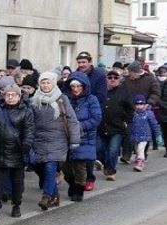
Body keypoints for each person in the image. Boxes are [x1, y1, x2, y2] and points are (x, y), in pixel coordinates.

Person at [0, 83, 34, 219]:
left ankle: (16, 205)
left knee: (17, 182)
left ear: (19, 96)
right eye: (7, 95)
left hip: (17, 151)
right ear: (3, 96)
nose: (10, 97)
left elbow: (29, 131)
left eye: (13, 95)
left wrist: (26, 145)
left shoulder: (26, 111)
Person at [30, 71, 79, 210]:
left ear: (54, 83)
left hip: (58, 139)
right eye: (43, 83)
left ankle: (46, 196)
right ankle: (55, 196)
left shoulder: (62, 99)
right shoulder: (34, 100)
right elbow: (30, 121)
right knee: (41, 168)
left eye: (48, 82)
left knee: (50, 166)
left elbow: (72, 119)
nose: (45, 85)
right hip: (38, 139)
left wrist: (75, 140)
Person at [63, 72, 101, 202]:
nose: (76, 89)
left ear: (84, 86)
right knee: (66, 167)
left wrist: (80, 126)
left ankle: (79, 189)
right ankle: (72, 184)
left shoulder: (92, 99)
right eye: (73, 86)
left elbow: (96, 118)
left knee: (80, 166)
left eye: (78, 86)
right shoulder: (65, 99)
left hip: (84, 137)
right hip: (67, 137)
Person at [98, 68, 133, 180]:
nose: (112, 79)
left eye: (115, 77)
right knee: (99, 149)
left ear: (119, 80)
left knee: (113, 150)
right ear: (106, 79)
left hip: (117, 127)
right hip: (101, 126)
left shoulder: (124, 92)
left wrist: (127, 122)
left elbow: (130, 109)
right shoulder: (101, 91)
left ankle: (111, 171)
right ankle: (106, 165)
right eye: (110, 77)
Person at [129, 95, 163, 171]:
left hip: (145, 136)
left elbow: (154, 124)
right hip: (135, 136)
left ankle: (140, 162)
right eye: (137, 104)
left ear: (144, 104)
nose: (139, 106)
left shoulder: (149, 114)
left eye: (141, 104)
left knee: (141, 148)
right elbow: (130, 124)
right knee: (137, 149)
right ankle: (138, 157)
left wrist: (158, 135)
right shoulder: (133, 114)